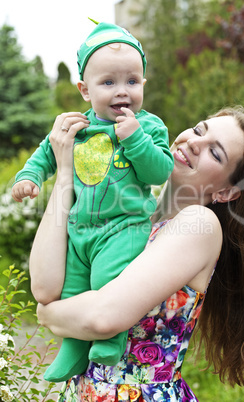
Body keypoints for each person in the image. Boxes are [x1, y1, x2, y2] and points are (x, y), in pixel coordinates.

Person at [31, 106, 244, 400]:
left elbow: (103, 317)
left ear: (227, 193)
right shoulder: (131, 216)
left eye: (215, 153)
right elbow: (43, 285)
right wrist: (64, 168)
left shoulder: (199, 224)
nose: (193, 142)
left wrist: (47, 313)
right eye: (198, 130)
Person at [11, 21, 174, 382]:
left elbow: (159, 171)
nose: (122, 92)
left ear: (143, 84)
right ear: (85, 90)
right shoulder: (75, 126)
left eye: (132, 81)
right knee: (72, 287)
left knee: (107, 280)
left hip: (124, 226)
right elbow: (45, 155)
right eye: (108, 83)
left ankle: (110, 338)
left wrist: (135, 140)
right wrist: (29, 177)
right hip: (78, 229)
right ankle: (72, 347)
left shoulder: (148, 126)